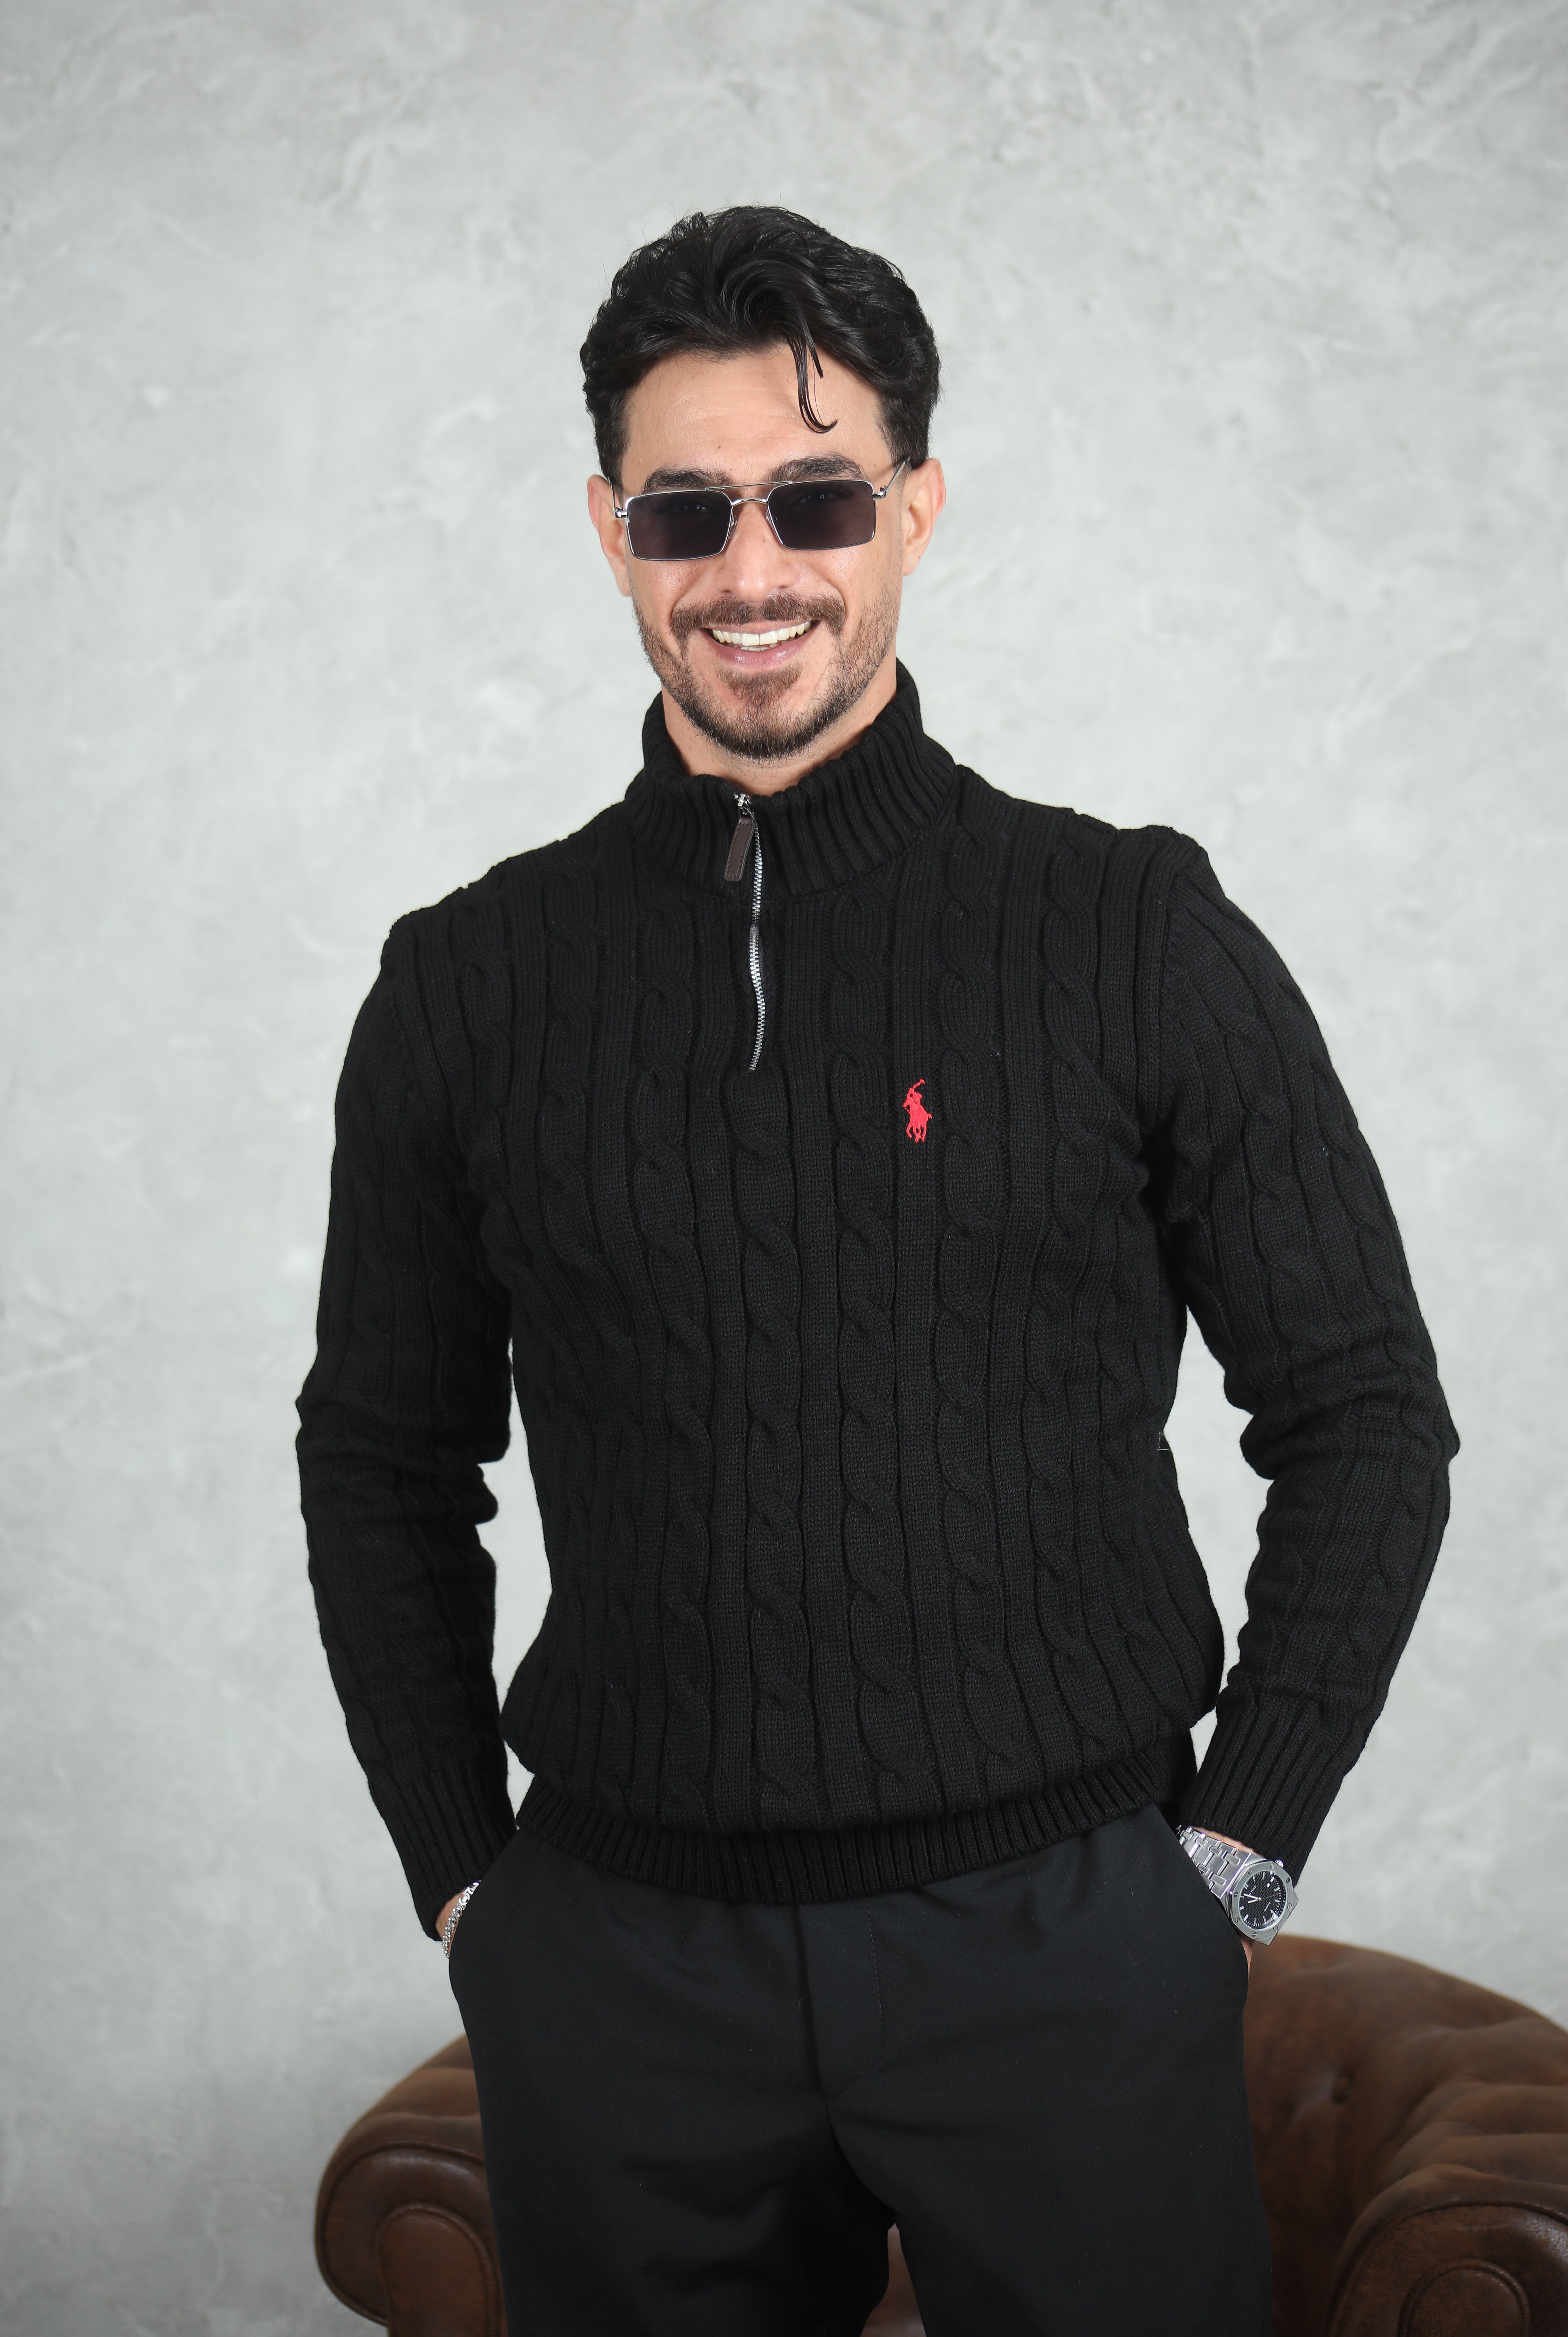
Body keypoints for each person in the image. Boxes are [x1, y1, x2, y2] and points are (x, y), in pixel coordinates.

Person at [298, 205, 1456, 2337]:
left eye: (816, 499)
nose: (752, 569)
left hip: (1065, 1944)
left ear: (915, 509)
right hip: (621, 1967)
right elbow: (381, 1451)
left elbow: (1368, 1414)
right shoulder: (467, 983)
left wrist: (1231, 1860)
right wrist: (466, 1872)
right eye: (686, 510)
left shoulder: (1130, 932)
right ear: (610, 531)